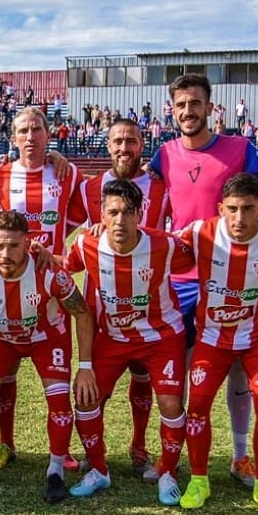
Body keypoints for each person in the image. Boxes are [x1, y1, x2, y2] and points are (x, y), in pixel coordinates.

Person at [148, 73, 258, 488]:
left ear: (210, 107)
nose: (188, 111)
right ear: (172, 109)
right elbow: (147, 209)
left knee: (239, 368)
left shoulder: (239, 149)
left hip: (231, 275)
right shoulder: (163, 155)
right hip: (182, 278)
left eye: (196, 103)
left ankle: (240, 458)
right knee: (183, 374)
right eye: (181, 104)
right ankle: (177, 458)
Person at [175, 174, 258, 514]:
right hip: (211, 337)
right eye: (232, 209)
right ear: (221, 208)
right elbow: (154, 246)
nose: (239, 218)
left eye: (248, 209)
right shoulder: (199, 232)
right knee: (199, 406)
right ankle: (199, 479)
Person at [0, 210, 99, 503]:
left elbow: (82, 313)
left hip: (46, 340)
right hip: (1, 340)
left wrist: (85, 365)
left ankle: (55, 471)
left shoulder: (50, 273)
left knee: (58, 402)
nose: (5, 253)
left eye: (14, 246)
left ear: (28, 244)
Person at [65, 179, 193, 505]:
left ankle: (167, 471)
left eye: (127, 212)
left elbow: (197, 256)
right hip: (111, 338)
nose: (120, 220)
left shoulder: (165, 246)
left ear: (140, 215)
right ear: (102, 216)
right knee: (85, 398)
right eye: (113, 213)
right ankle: (98, 470)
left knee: (170, 403)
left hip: (161, 337)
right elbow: (63, 267)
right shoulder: (86, 245)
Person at [0, 106, 82, 473]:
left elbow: (82, 212)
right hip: (8, 284)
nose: (30, 135)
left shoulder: (66, 173)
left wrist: (57, 249)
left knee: (56, 375)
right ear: (13, 138)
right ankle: (5, 443)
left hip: (51, 289)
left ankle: (63, 450)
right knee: (5, 373)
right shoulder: (0, 176)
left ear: (47, 134)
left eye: (36, 129)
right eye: (22, 130)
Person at [68, 119, 169, 477]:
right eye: (117, 142)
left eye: (131, 141)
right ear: (107, 145)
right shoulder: (89, 188)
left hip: (148, 304)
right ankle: (95, 454)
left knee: (143, 378)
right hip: (103, 308)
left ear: (143, 144)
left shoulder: (161, 186)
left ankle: (139, 444)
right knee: (97, 387)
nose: (124, 148)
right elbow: (71, 229)